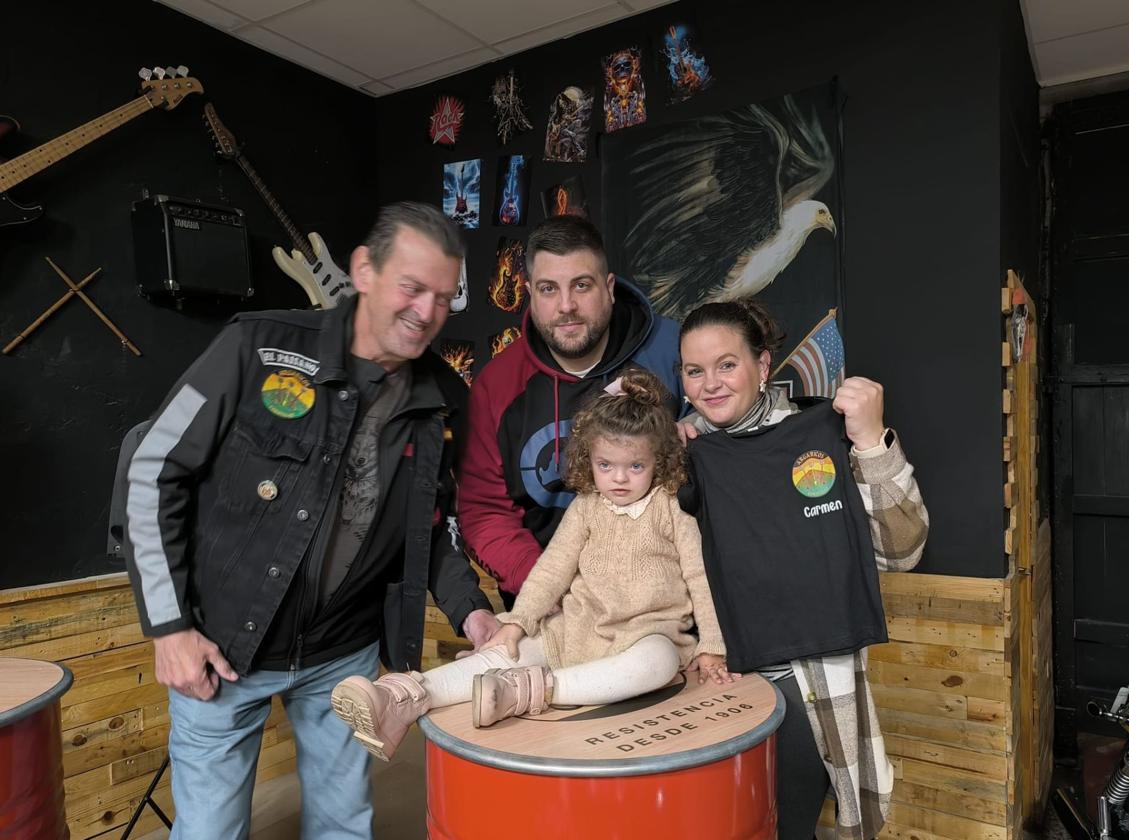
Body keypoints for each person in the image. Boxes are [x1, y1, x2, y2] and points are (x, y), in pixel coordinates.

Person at [119, 202, 498, 840]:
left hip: (341, 655)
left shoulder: (441, 400)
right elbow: (152, 469)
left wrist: (471, 610)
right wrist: (169, 630)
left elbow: (427, 531)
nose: (427, 312)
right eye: (412, 287)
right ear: (364, 271)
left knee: (345, 825)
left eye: (442, 296)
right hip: (221, 645)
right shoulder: (253, 344)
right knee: (208, 830)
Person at [330, 369, 729, 760]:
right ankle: (404, 696)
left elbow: (700, 578)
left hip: (647, 633)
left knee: (655, 665)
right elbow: (552, 569)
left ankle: (527, 690)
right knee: (508, 648)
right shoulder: (586, 508)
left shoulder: (671, 509)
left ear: (658, 460)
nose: (619, 479)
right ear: (588, 458)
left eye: (635, 467)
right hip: (576, 629)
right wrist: (518, 622)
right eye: (605, 465)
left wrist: (711, 646)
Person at [676, 299, 929, 839]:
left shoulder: (824, 434)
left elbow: (902, 550)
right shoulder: (686, 452)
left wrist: (871, 440)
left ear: (763, 366)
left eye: (727, 364)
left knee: (788, 826)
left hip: (805, 681)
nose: (710, 383)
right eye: (694, 371)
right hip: (715, 677)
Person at [459, 215, 683, 608]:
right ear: (530, 292)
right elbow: (485, 510)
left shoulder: (673, 351)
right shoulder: (497, 385)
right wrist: (553, 587)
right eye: (549, 289)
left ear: (609, 288)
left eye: (582, 285)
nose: (566, 306)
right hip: (549, 605)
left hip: (661, 602)